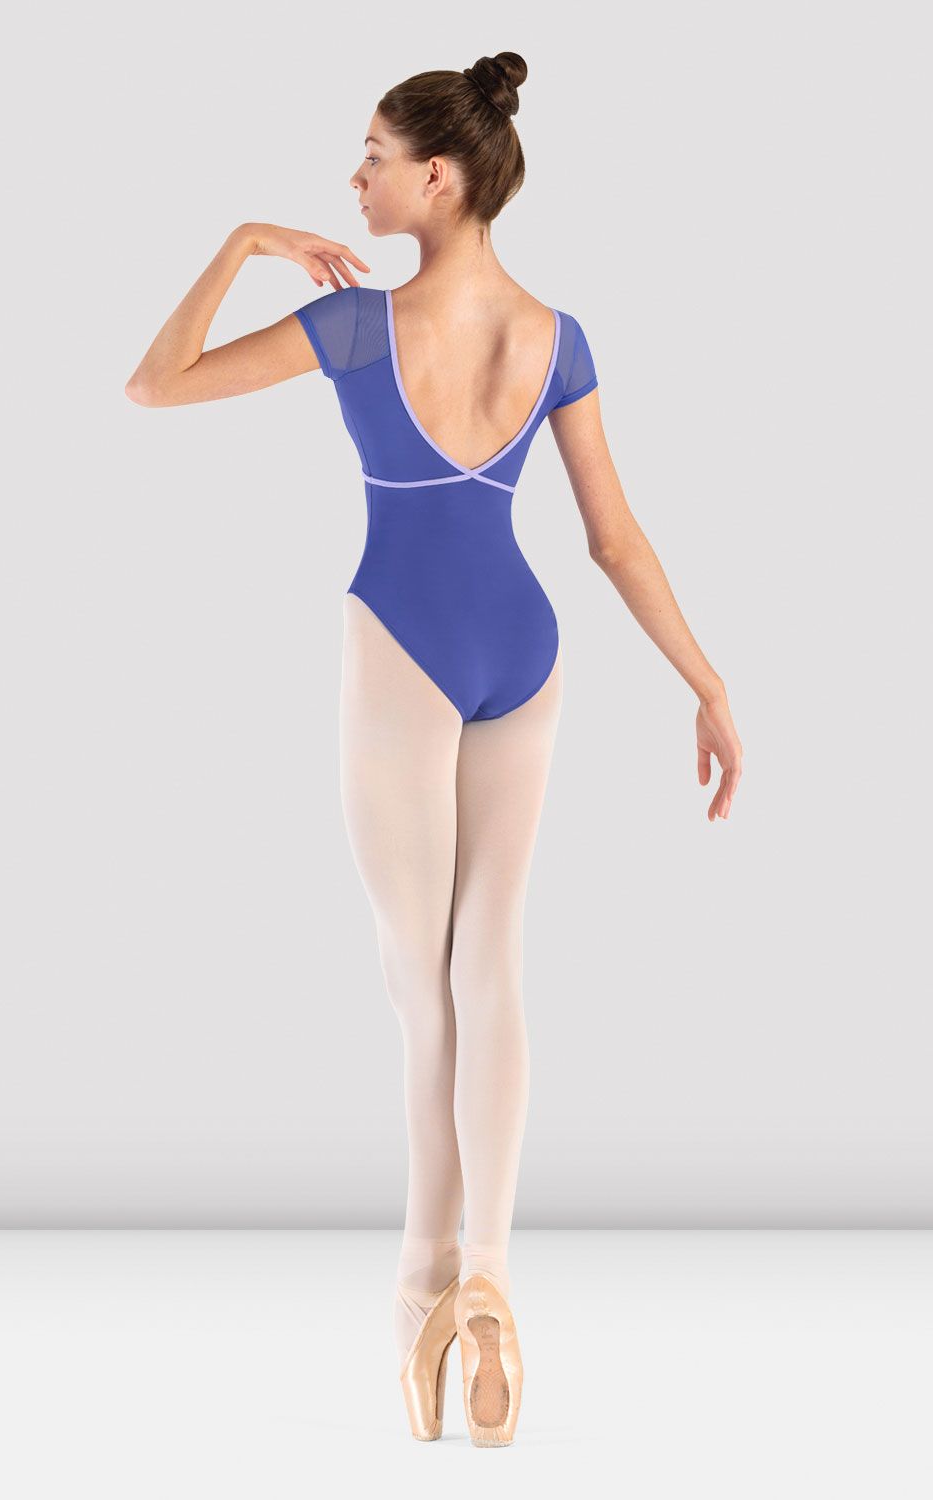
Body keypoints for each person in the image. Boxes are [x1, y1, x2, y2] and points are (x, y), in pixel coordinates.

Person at [125, 49, 743, 1448]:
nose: (353, 180)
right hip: (522, 648)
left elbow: (155, 386)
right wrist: (706, 684)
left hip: (402, 640)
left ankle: (424, 1285)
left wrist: (243, 242)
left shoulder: (355, 328)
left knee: (424, 986)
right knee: (493, 962)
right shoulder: (556, 335)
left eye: (372, 157)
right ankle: (495, 1282)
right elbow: (614, 540)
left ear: (439, 179)